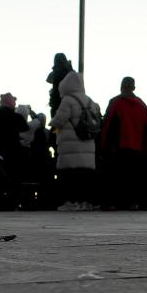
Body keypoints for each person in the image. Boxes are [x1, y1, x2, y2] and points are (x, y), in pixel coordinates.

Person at [50, 71, 100, 210]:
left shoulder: (68, 100)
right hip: (88, 145)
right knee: (85, 177)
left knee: (70, 177)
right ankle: (85, 202)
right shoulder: (90, 101)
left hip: (70, 146)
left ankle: (71, 203)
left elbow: (59, 121)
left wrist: (53, 127)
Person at [99, 77, 147, 209]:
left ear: (121, 86)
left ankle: (115, 202)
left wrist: (104, 144)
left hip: (118, 146)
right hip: (137, 147)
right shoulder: (142, 105)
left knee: (117, 176)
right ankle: (132, 202)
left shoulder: (116, 102)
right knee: (133, 176)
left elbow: (108, 124)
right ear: (134, 88)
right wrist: (144, 148)